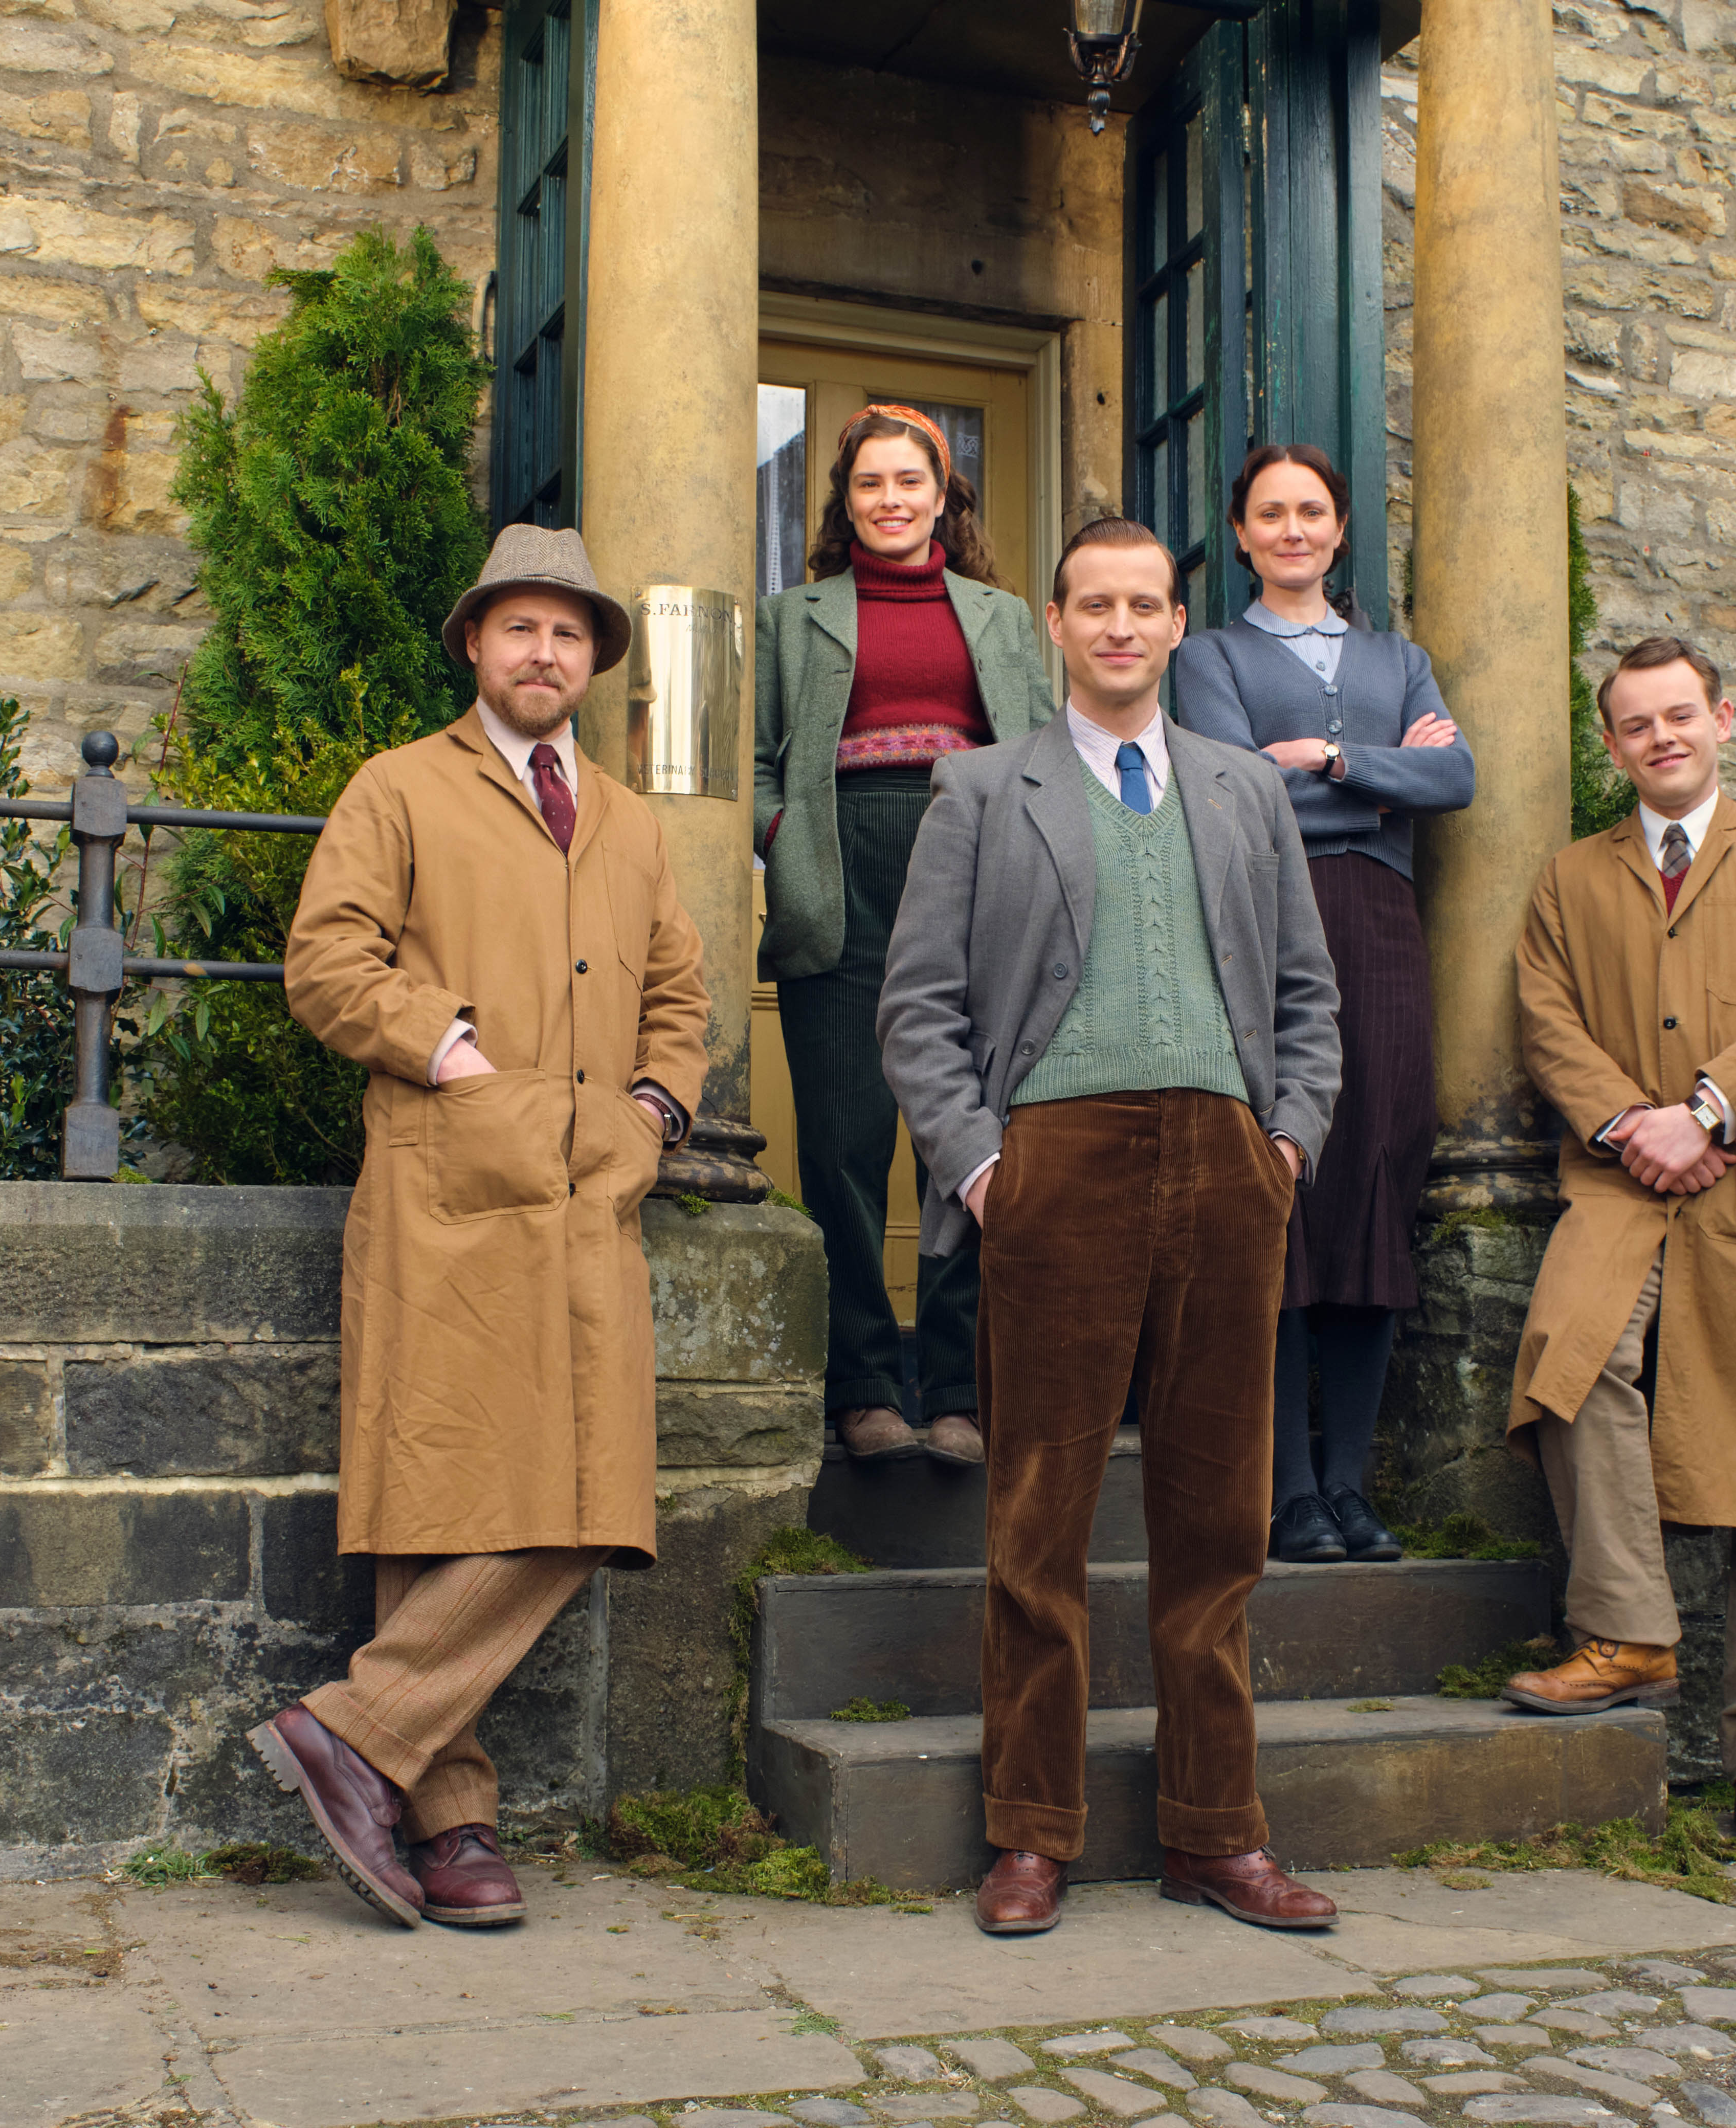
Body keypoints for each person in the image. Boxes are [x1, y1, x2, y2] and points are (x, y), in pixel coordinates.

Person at [878, 516, 1347, 1937]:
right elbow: (919, 1009)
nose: (1124, 628)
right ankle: (1031, 1832)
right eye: (1098, 605)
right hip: (1055, 1167)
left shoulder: (1239, 791)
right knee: (1039, 1520)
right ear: (1055, 622)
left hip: (1224, 1164)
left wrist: (1286, 1146)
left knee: (1219, 1522)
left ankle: (1219, 1831)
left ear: (1175, 622)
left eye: (1147, 605)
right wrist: (981, 1167)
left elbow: (1309, 996)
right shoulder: (977, 789)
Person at [255, 523, 711, 1929]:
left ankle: (353, 1729)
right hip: (448, 1185)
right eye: (520, 629)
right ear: (474, 643)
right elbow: (325, 961)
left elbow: (681, 1001)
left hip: (593, 1195)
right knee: (442, 1488)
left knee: (591, 1488)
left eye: (569, 635)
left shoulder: (632, 822)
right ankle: (450, 1823)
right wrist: (447, 1054)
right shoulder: (399, 791)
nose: (544, 653)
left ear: (594, 665)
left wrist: (654, 1113)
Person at [1496, 635, 1736, 1857]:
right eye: (1636, 723)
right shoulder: (1572, 878)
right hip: (1622, 1180)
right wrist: (1635, 1124)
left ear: (1723, 719)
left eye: (1682, 715)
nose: (1662, 737)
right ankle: (1629, 1630)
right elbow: (1545, 1016)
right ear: (1611, 744)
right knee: (1567, 1361)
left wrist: (1711, 1110)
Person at [1173, 443, 1475, 1568]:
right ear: (1243, 536)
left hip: (1386, 930)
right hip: (1270, 920)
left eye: (1312, 511)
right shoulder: (1210, 656)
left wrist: (1334, 761)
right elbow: (1237, 788)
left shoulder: (1402, 659)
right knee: (1280, 1184)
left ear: (1340, 531)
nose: (1293, 529)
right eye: (1270, 514)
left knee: (1376, 1181)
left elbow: (1456, 781)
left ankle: (1350, 1484)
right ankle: (1288, 1491)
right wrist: (1383, 771)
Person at [756, 406, 1052, 1468]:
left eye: (910, 481)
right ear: (845, 501)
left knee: (966, 1143)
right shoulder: (792, 618)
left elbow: (1045, 755)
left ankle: (962, 1389)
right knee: (843, 1146)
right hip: (838, 881)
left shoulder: (1006, 618)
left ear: (945, 495)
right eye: (869, 483)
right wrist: (783, 837)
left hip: (974, 880)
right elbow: (752, 763)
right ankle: (866, 1387)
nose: (891, 499)